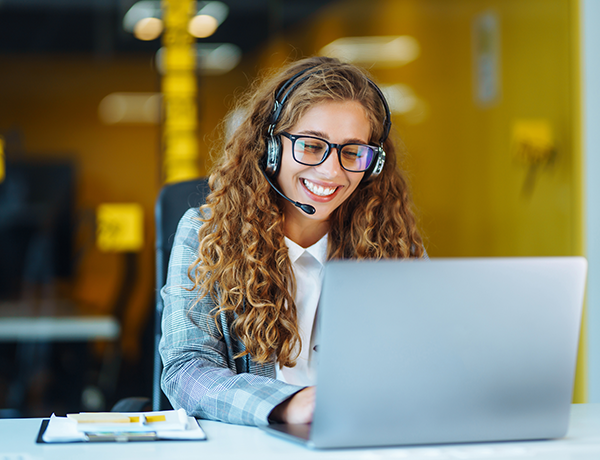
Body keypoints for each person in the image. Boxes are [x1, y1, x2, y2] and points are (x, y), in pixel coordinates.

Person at [159, 56, 426, 427]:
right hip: (258, 440)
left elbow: (426, 361)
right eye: (312, 146)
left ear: (373, 163)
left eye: (352, 152)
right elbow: (186, 371)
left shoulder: (394, 244)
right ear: (270, 147)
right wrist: (288, 404)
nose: (332, 171)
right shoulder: (206, 233)